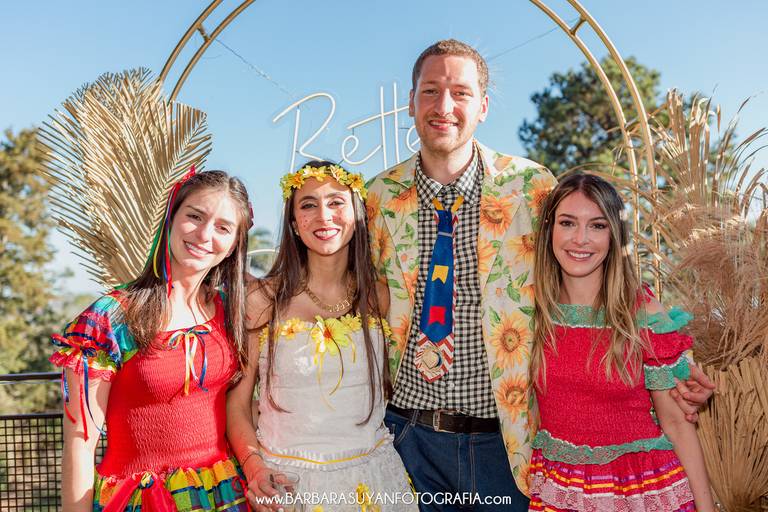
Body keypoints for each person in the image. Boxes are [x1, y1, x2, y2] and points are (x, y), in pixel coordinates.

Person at [366, 39, 716, 510]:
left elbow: (592, 260)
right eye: (430, 91)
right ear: (411, 101)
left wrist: (674, 359)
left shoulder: (530, 187)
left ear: (483, 106)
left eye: (460, 93)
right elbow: (349, 295)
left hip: (504, 443)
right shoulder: (376, 197)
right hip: (406, 437)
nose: (443, 106)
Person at [51, 170, 252, 511]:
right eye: (195, 216)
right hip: (142, 500)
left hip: (224, 495)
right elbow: (80, 444)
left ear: (234, 243)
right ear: (170, 219)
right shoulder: (111, 318)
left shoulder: (230, 311)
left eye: (223, 227)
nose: (205, 234)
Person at [227, 161, 417, 512]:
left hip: (374, 483)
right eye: (308, 205)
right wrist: (255, 470)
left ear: (357, 215)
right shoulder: (263, 299)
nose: (323, 216)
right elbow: (237, 405)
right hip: (288, 484)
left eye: (336, 202)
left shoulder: (379, 296)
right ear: (294, 223)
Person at [528, 172, 715, 511]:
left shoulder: (643, 312)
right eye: (568, 223)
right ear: (549, 229)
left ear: (614, 235)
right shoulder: (530, 311)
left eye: (597, 226)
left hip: (642, 494)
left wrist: (707, 507)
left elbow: (677, 423)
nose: (581, 239)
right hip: (558, 492)